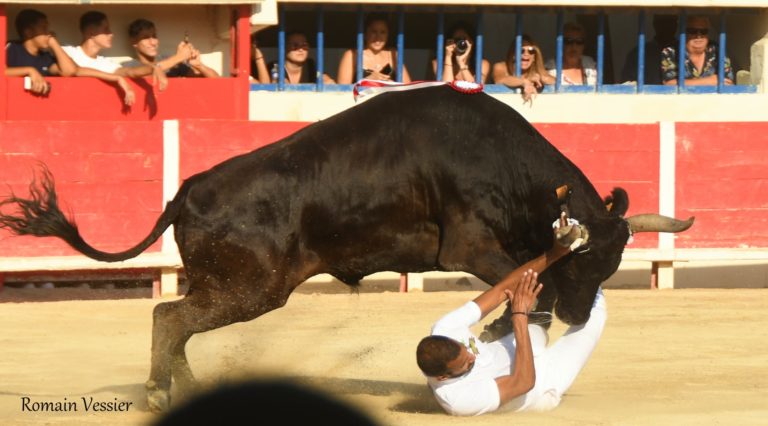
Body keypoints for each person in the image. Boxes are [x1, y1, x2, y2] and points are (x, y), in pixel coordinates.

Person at [416, 224, 606, 416]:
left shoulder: (445, 328)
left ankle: (530, 319)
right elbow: (523, 382)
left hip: (511, 347)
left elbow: (501, 290)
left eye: (466, 350)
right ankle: (592, 263)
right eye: (466, 363)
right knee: (595, 316)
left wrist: (554, 253)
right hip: (541, 383)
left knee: (537, 327)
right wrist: (519, 317)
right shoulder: (458, 400)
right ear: (442, 377)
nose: (472, 356)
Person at [62, 10, 166, 103]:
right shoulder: (67, 52)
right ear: (91, 32)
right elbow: (73, 70)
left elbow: (129, 72)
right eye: (106, 29)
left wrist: (153, 67)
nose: (111, 34)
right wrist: (116, 78)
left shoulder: (106, 63)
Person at [5, 9, 77, 95]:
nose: (48, 33)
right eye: (44, 28)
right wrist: (30, 71)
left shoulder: (45, 57)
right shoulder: (12, 48)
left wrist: (54, 44)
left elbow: (69, 71)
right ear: (29, 32)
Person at [123, 19, 219, 78]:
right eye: (145, 38)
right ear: (134, 42)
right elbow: (150, 73)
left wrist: (199, 66)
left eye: (154, 36)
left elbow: (217, 81)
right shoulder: (129, 66)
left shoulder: (171, 61)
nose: (153, 42)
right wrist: (179, 57)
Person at [336, 14, 411, 84]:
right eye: (374, 32)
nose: (378, 37)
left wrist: (390, 84)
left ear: (388, 35)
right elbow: (342, 89)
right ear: (365, 34)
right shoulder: (352, 54)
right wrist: (367, 81)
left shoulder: (393, 54)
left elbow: (408, 87)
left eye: (383, 32)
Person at [661, 15, 733, 86]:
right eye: (692, 31)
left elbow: (728, 83)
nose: (699, 35)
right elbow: (669, 84)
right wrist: (707, 81)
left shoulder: (717, 50)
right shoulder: (670, 52)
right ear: (684, 32)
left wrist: (688, 83)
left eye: (704, 31)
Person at [251, 31, 334, 84]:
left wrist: (327, 82)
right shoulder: (274, 66)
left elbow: (327, 81)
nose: (300, 49)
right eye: (295, 45)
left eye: (304, 45)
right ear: (284, 48)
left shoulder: (311, 66)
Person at [492, 34, 554, 102]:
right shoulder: (501, 67)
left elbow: (556, 82)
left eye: (531, 51)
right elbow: (500, 80)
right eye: (521, 50)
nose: (526, 54)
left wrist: (541, 78)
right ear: (513, 55)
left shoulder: (537, 71)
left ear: (534, 57)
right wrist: (524, 82)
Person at [620, 14, 677, 84]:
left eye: (670, 23)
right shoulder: (638, 53)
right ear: (655, 25)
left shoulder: (685, 51)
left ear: (676, 25)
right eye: (662, 23)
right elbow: (627, 83)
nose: (666, 27)